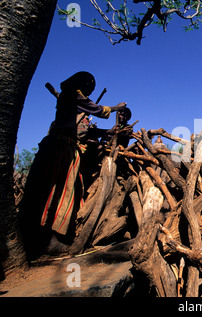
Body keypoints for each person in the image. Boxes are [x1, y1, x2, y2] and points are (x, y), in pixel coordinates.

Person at [19, 71, 126, 261]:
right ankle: (47, 240)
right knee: (57, 192)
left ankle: (51, 235)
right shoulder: (73, 94)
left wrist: (108, 131)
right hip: (61, 150)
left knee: (63, 193)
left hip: (65, 148)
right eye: (89, 87)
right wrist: (116, 107)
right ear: (84, 83)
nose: (90, 91)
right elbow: (99, 111)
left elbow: (86, 128)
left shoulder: (75, 103)